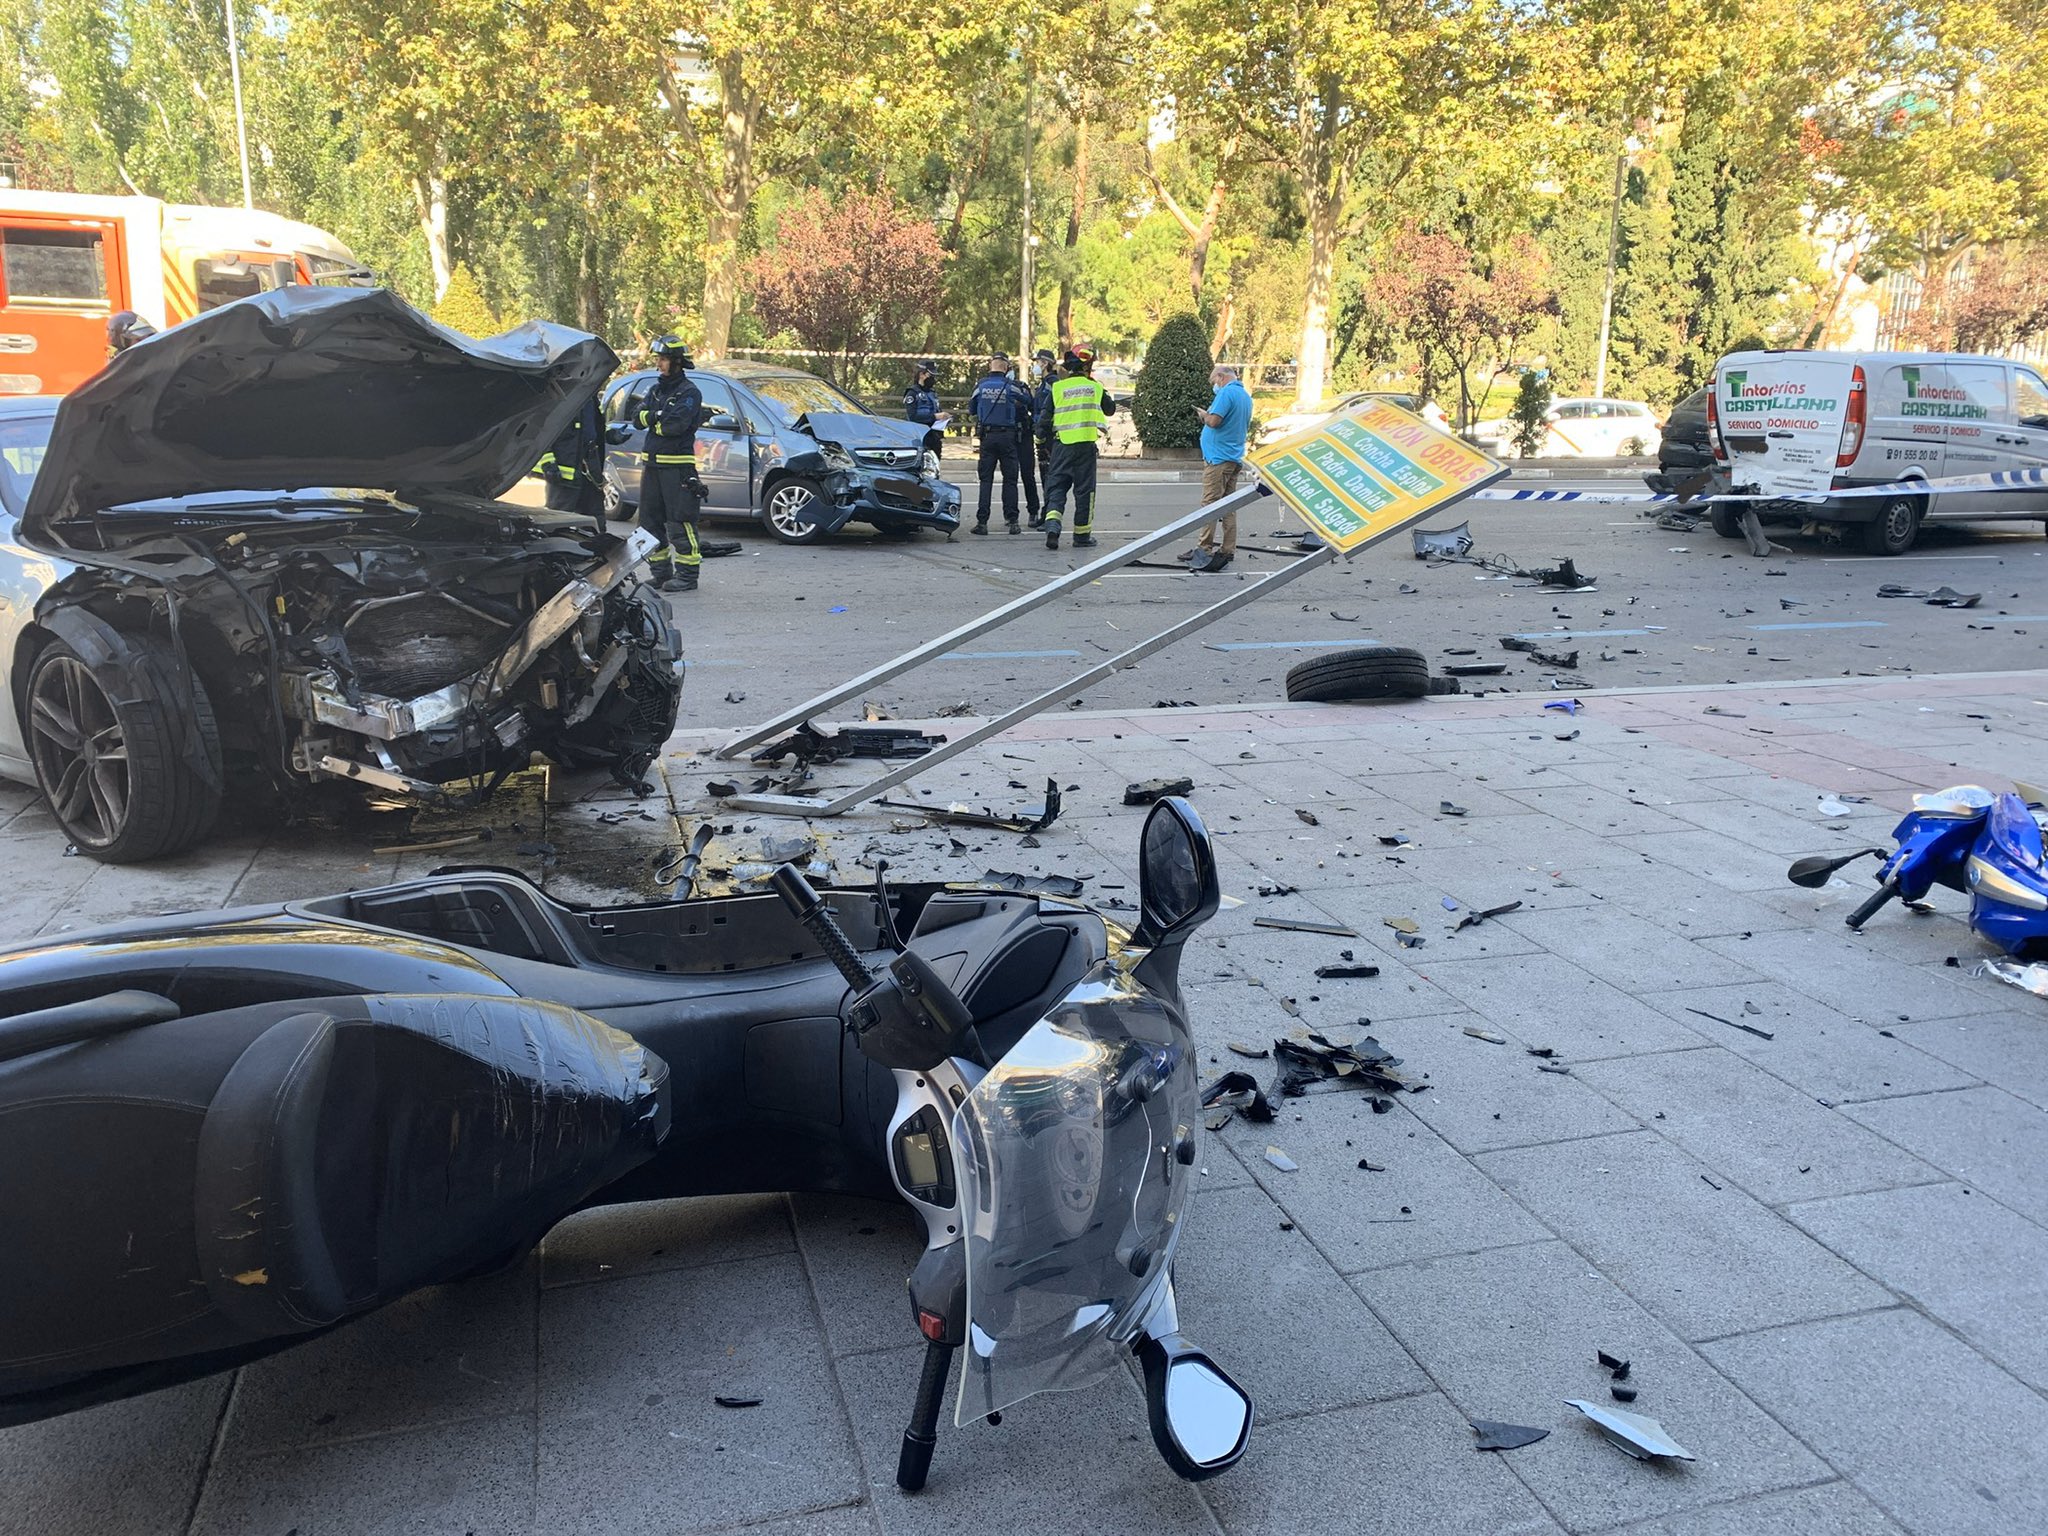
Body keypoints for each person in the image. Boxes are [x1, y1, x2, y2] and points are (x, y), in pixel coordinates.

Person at [635, 336, 707, 593]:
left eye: (663, 359)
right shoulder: (654, 391)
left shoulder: (689, 393)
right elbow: (637, 418)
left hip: (678, 468)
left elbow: (673, 426)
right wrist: (656, 415)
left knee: (680, 521)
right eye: (658, 359)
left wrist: (653, 418)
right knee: (649, 523)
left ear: (677, 362)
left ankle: (687, 576)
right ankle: (661, 574)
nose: (659, 364)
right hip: (652, 467)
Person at [1040, 347, 1115, 551]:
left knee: (1056, 488)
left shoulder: (1058, 389)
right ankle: (1081, 537)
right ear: (1087, 367)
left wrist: (1040, 443)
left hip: (1061, 447)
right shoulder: (1094, 387)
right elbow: (1110, 409)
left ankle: (1053, 527)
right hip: (1085, 449)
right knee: (1084, 493)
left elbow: (1044, 420)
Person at [1189, 363, 1254, 572]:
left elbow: (1215, 421)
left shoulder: (1226, 394)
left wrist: (1203, 415)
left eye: (1213, 381)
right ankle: (1228, 548)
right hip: (1233, 456)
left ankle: (1204, 548)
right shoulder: (1245, 396)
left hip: (1218, 459)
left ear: (1221, 377)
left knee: (1210, 504)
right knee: (1228, 506)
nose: (1213, 386)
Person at [965, 350, 1037, 534]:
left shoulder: (980, 386)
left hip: (987, 438)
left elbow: (971, 409)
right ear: (1005, 368)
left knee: (985, 480)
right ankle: (1013, 521)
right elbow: (1028, 400)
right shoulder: (1010, 386)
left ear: (991, 365)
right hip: (1008, 437)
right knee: (1010, 479)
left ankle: (982, 523)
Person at [537, 390, 605, 523]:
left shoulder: (591, 397)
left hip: (591, 467)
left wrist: (610, 435)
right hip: (564, 473)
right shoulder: (559, 397)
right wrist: (548, 462)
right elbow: (540, 433)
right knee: (559, 519)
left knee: (595, 518)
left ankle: (595, 542)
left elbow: (594, 427)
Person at [1022, 348, 1056, 526]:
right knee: (1045, 476)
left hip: (1049, 435)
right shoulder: (1044, 383)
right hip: (1042, 434)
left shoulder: (1052, 383)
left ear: (1045, 363)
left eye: (1037, 362)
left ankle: (1049, 515)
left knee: (1049, 477)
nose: (1035, 366)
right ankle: (1047, 513)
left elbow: (1050, 410)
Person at [904, 361, 945, 459]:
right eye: (930, 375)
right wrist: (934, 417)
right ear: (921, 374)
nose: (933, 379)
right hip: (920, 437)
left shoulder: (932, 394)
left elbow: (937, 411)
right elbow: (913, 416)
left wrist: (944, 418)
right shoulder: (912, 394)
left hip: (934, 437)